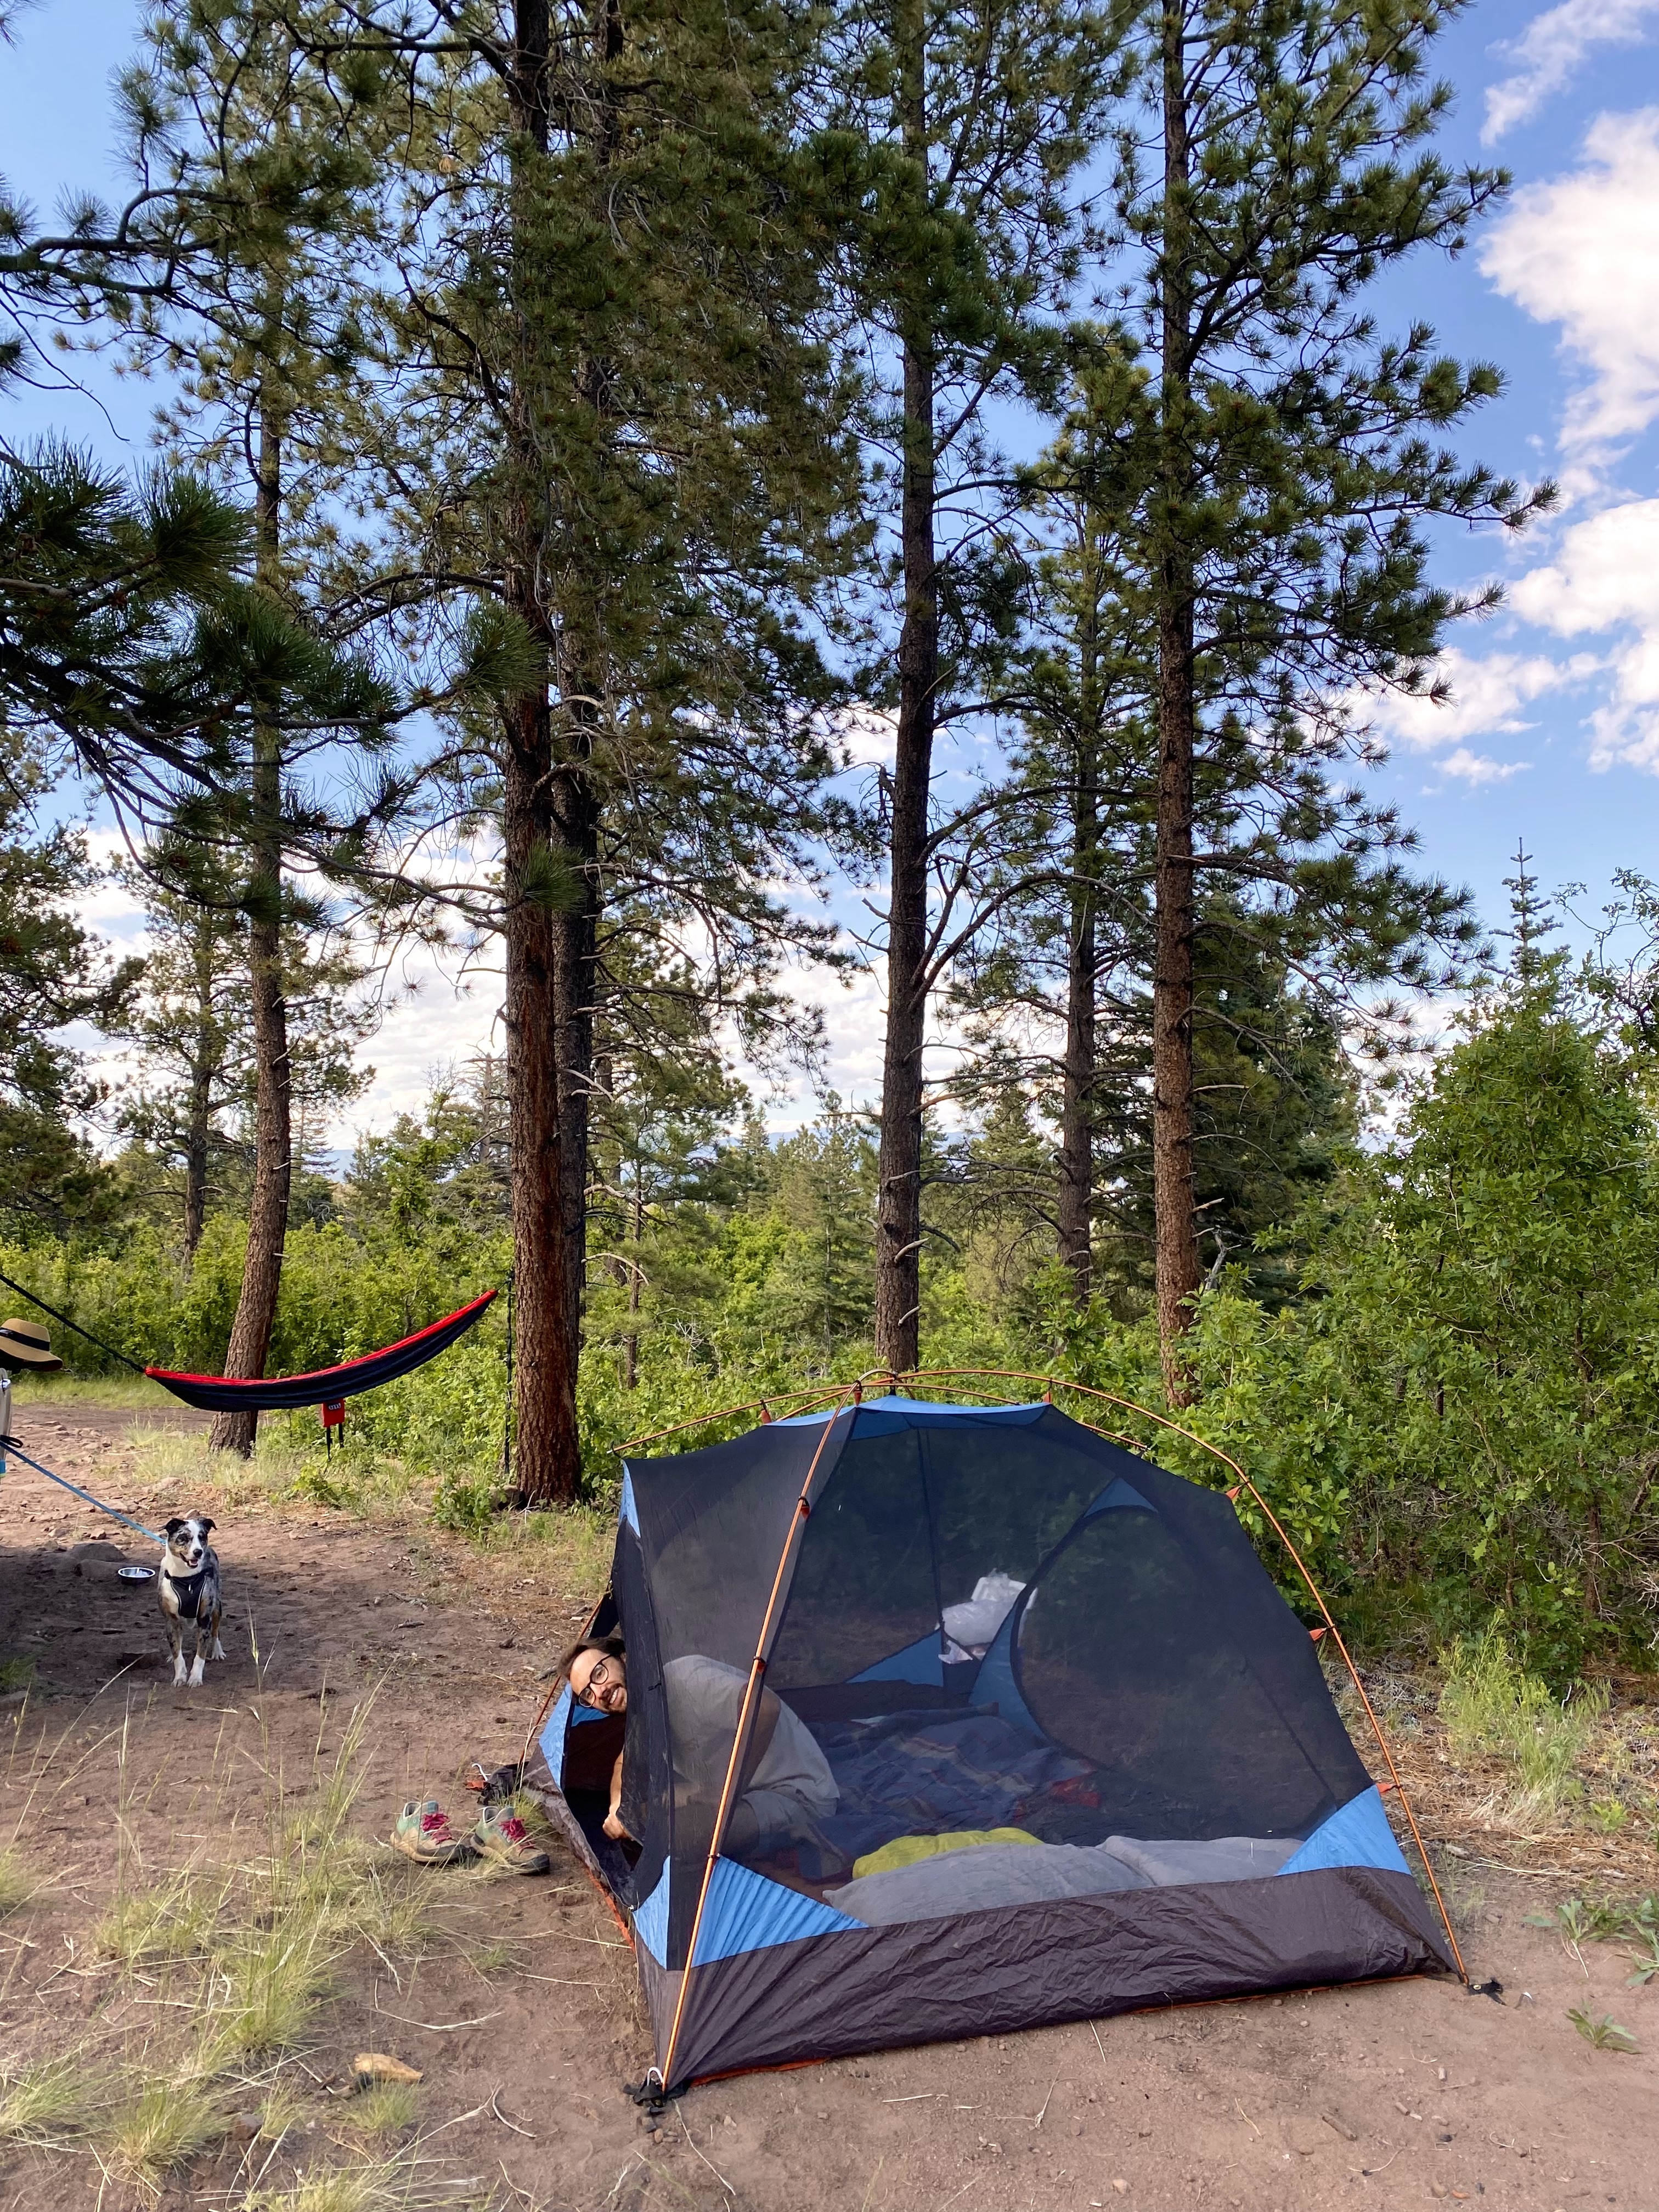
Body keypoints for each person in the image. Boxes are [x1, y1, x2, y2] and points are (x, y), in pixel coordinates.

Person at [562, 1635, 836, 1858]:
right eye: (587, 1695)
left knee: (680, 1832)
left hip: (796, 1794)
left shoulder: (683, 1679)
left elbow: (763, 1707)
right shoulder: (643, 1713)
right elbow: (623, 1763)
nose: (599, 1692)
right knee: (649, 1817)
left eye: (599, 1673)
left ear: (624, 1657)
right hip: (743, 1799)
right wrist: (618, 1808)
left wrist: (723, 1793)